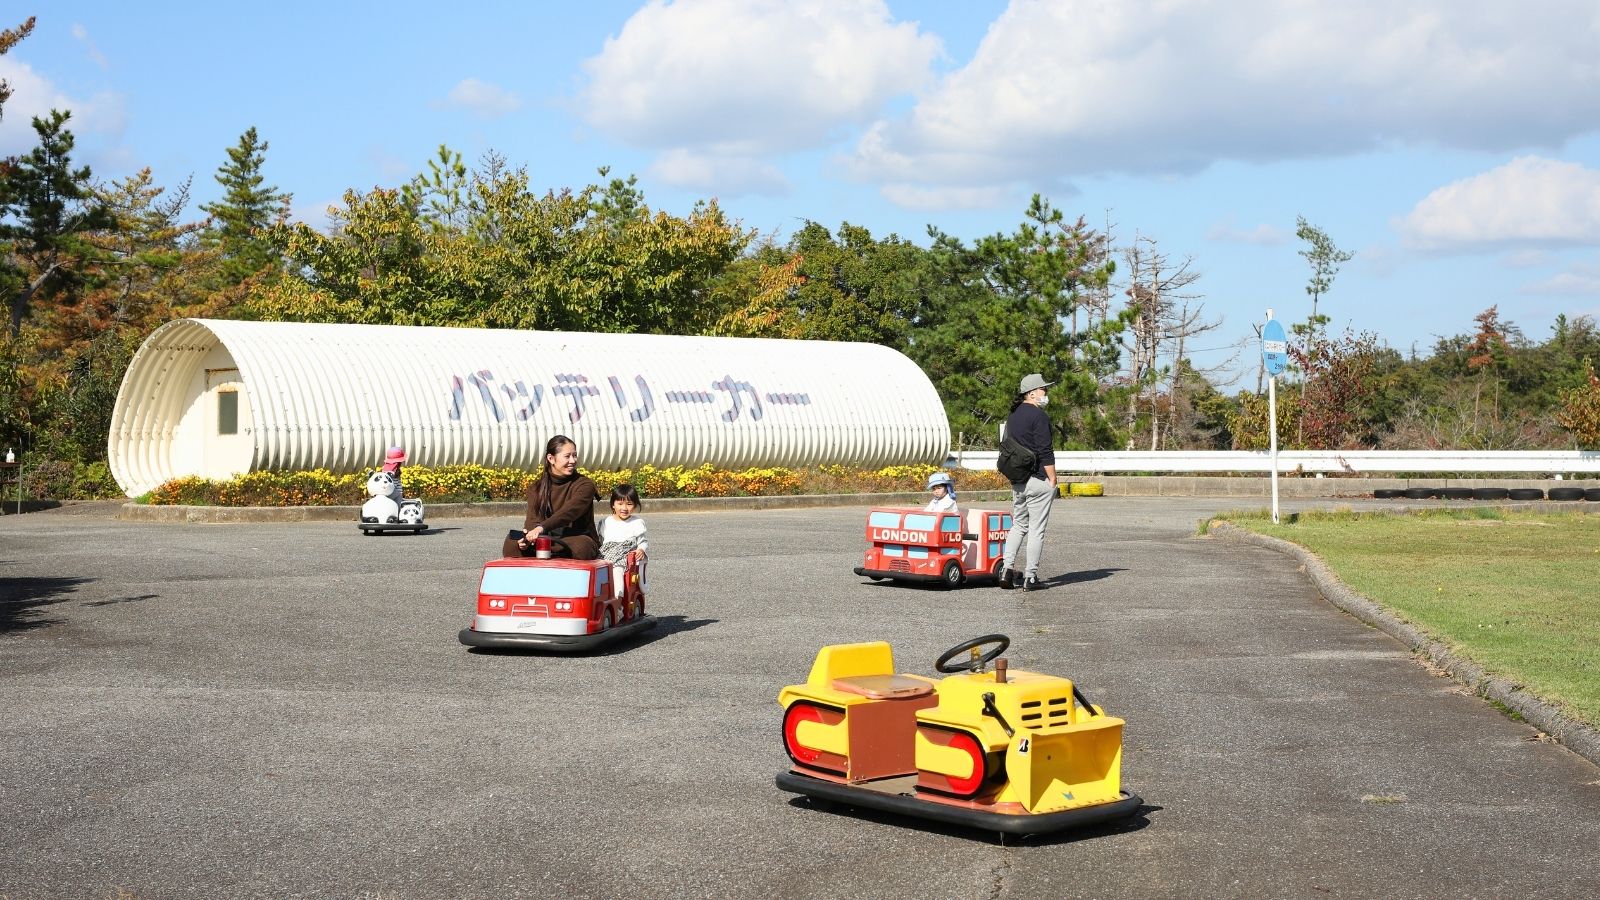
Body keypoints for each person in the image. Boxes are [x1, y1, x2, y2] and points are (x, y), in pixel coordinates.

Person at [999, 373, 1057, 592]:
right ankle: (1030, 578)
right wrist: (1052, 479)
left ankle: (1006, 570)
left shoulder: (1013, 415)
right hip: (1038, 479)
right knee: (1036, 529)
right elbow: (1045, 450)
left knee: (1019, 525)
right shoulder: (1039, 416)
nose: (1046, 392)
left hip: (1018, 479)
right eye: (1043, 389)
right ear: (1032, 393)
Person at [503, 434, 601, 560]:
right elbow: (532, 520)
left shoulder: (585, 484)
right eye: (567, 456)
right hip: (546, 537)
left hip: (575, 537)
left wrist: (541, 528)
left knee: (581, 546)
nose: (572, 461)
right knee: (511, 543)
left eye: (574, 455)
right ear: (551, 458)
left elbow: (570, 512)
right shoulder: (537, 487)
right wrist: (527, 539)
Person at [598, 483, 648, 598]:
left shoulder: (637, 523)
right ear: (613, 504)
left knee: (617, 571)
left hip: (624, 558)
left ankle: (618, 599)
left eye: (629, 504)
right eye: (620, 504)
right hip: (605, 555)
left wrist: (641, 549)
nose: (624, 508)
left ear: (635, 505)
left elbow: (643, 541)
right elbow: (600, 542)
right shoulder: (605, 522)